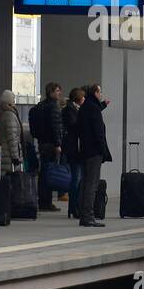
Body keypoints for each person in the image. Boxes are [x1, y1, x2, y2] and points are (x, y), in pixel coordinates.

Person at [76, 83, 111, 228]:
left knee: (85, 183)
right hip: (94, 151)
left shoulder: (85, 106)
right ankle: (89, 216)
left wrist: (102, 105)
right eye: (100, 91)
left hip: (85, 150)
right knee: (92, 184)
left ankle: (83, 214)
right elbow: (98, 131)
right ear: (95, 93)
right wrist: (103, 150)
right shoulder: (93, 108)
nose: (101, 94)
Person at [30, 82, 65, 211]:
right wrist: (58, 144)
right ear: (51, 92)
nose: (59, 93)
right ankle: (47, 202)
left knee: (44, 172)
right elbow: (55, 126)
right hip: (51, 143)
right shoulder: (53, 107)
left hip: (42, 142)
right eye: (57, 91)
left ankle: (43, 200)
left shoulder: (40, 106)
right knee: (49, 173)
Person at [62, 87, 85, 220]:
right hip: (74, 149)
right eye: (83, 97)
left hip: (74, 148)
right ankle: (74, 207)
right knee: (76, 179)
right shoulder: (71, 110)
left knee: (77, 178)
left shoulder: (73, 109)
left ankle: (74, 207)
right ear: (78, 98)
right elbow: (74, 126)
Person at [0, 90, 24, 180]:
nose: (15, 101)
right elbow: (12, 138)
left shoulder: (2, 114)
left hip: (3, 155)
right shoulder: (10, 115)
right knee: (12, 185)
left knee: (4, 185)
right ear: (9, 101)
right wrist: (15, 157)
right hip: (9, 158)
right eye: (13, 99)